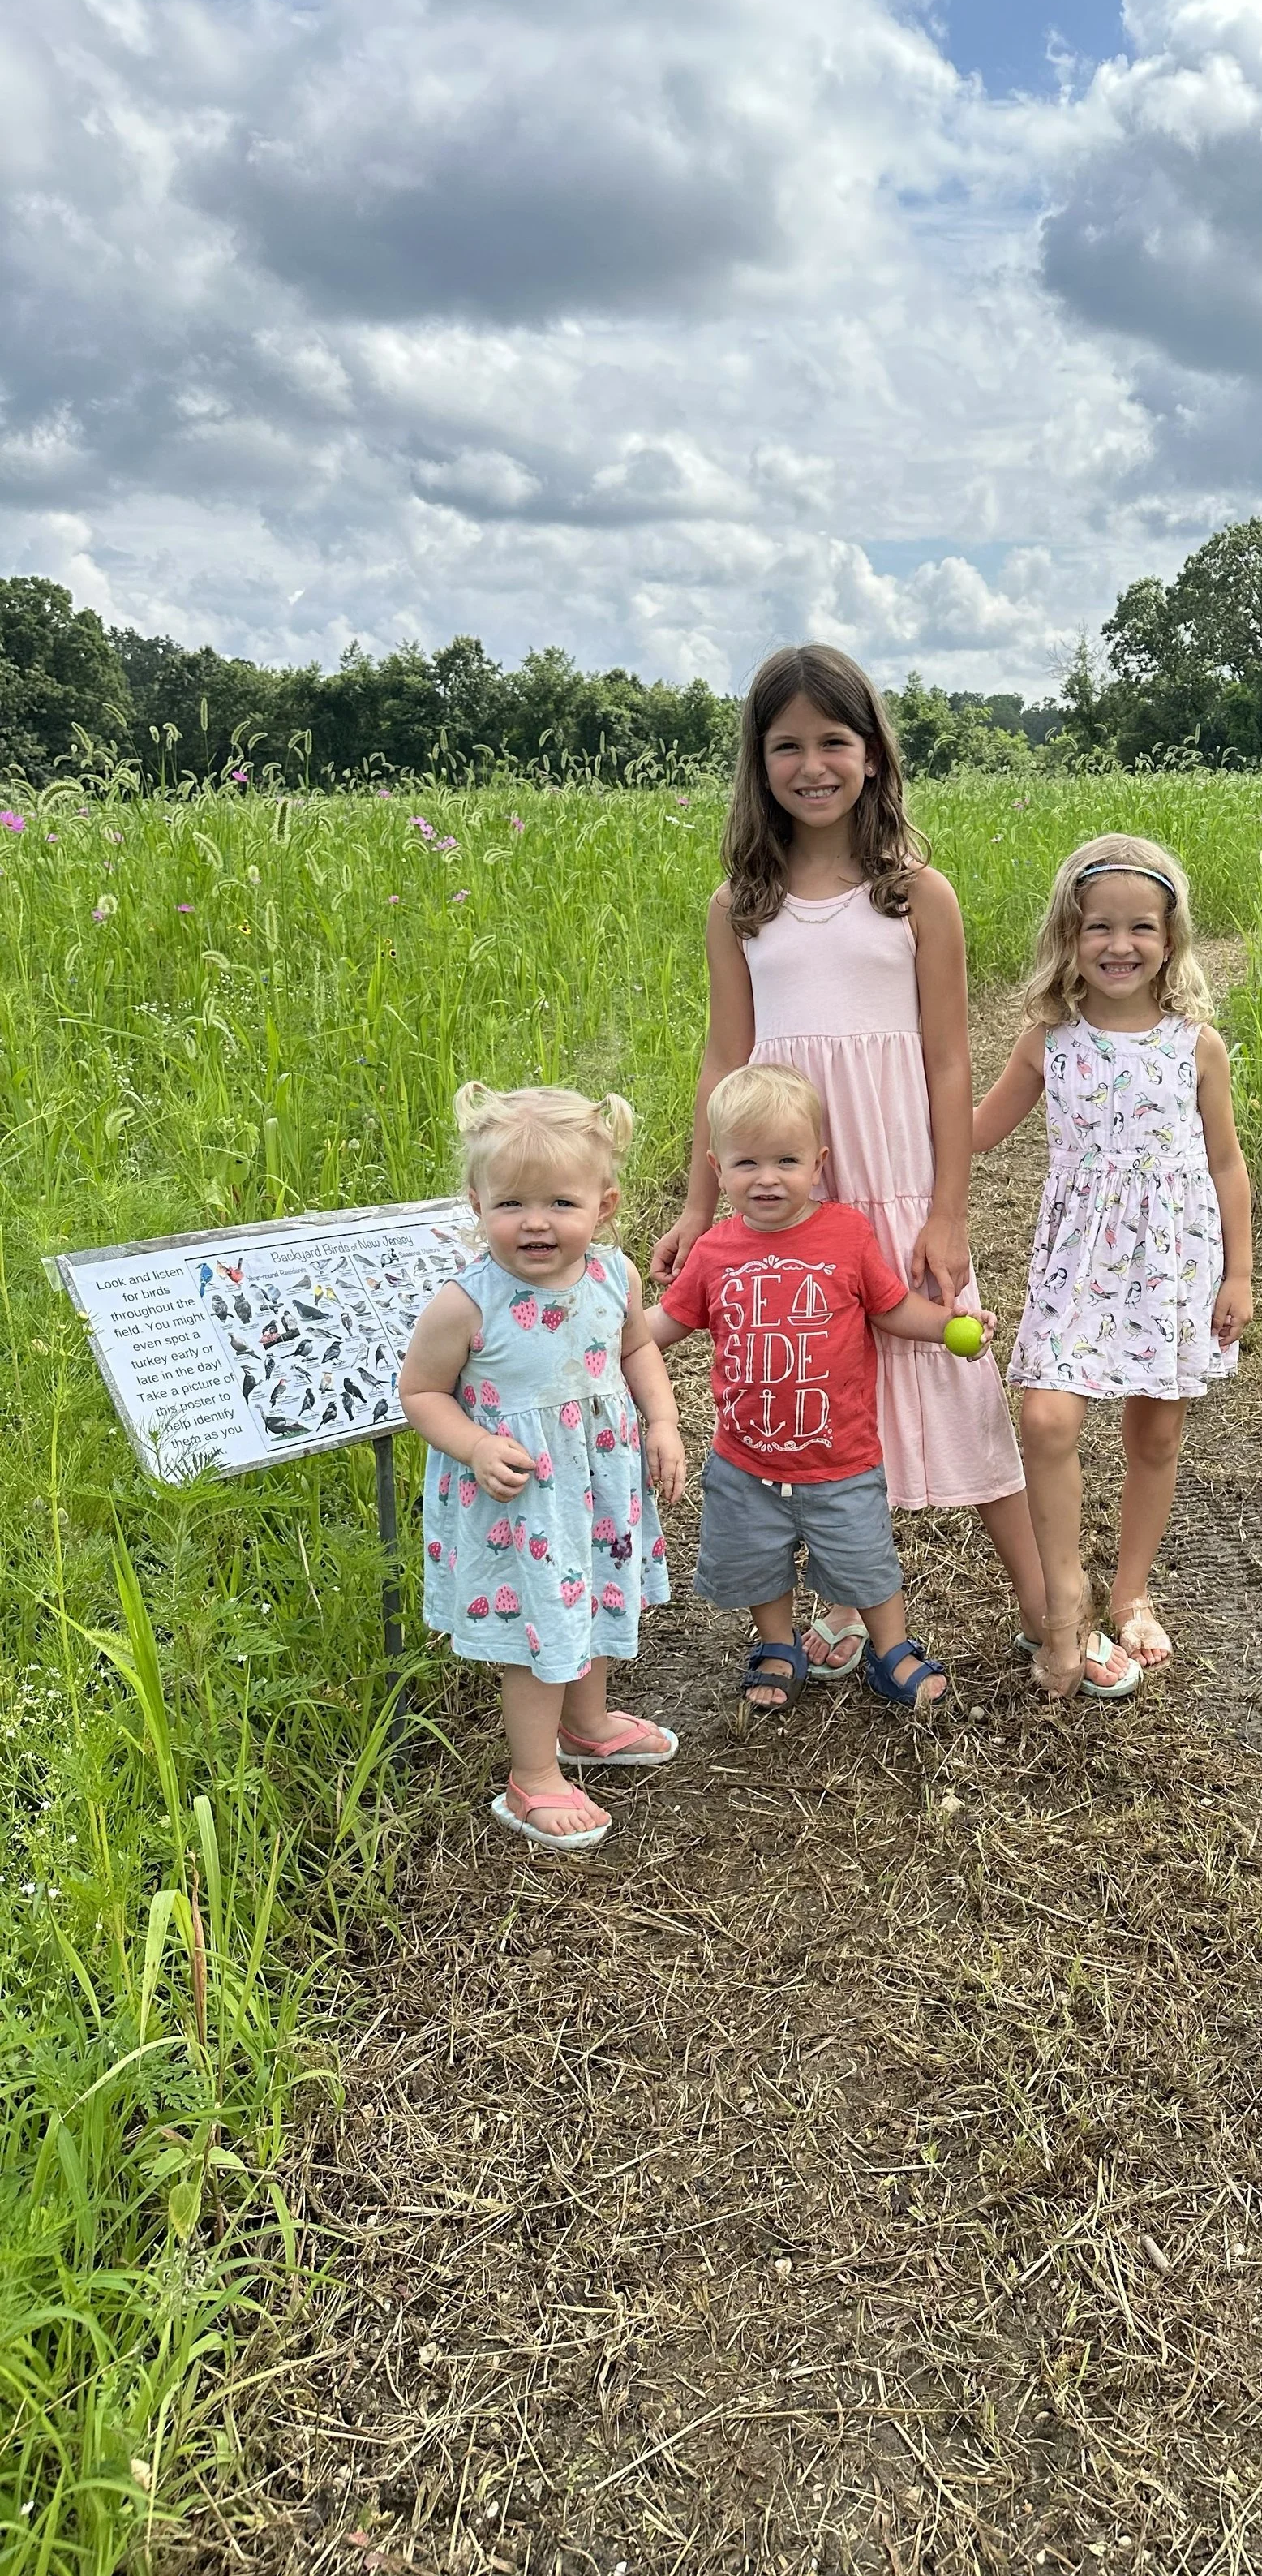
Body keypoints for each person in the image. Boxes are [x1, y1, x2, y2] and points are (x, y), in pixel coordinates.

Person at [647, 643, 1047, 1680]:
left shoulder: (916, 894)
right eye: (787, 745)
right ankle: (821, 1614)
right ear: (758, 762)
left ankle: (1047, 1607)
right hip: (787, 1185)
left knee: (954, 1387)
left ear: (872, 755)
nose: (812, 763)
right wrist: (701, 1207)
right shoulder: (742, 904)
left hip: (898, 1178)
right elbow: (724, 1057)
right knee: (800, 1394)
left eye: (835, 740)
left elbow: (950, 1055)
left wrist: (949, 1209)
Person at [972, 835, 1254, 1701]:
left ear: (1170, 941)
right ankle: (1066, 1598)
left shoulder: (1194, 1044)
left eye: (1141, 927)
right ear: (1069, 934)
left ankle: (1129, 1592)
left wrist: (1237, 1274)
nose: (1119, 944)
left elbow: (1226, 1164)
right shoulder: (1048, 1041)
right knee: (1050, 1419)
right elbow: (973, 1135)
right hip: (1077, 1263)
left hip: (1171, 1265)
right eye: (1099, 926)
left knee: (1154, 1433)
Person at [643, 1062, 994, 1716]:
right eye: (747, 1162)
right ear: (718, 1169)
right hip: (746, 1459)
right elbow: (663, 1325)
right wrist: (595, 1340)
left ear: (818, 1162)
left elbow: (890, 1307)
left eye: (786, 1159)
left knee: (867, 1560)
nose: (768, 1177)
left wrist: (949, 1325)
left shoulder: (845, 1234)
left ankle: (891, 1651)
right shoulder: (714, 1252)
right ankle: (778, 1645)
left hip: (841, 1457)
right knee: (757, 1562)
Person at [398, 1083, 686, 1854]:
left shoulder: (613, 1275)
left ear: (605, 1203)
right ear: (476, 1202)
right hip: (521, 1496)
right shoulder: (468, 1302)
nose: (535, 1222)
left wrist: (662, 1419)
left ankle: (586, 1724)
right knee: (539, 1628)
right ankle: (531, 1777)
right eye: (511, 1203)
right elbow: (421, 1391)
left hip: (594, 1485)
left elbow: (634, 1349)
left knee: (585, 1598)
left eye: (561, 1201)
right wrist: (474, 1445)